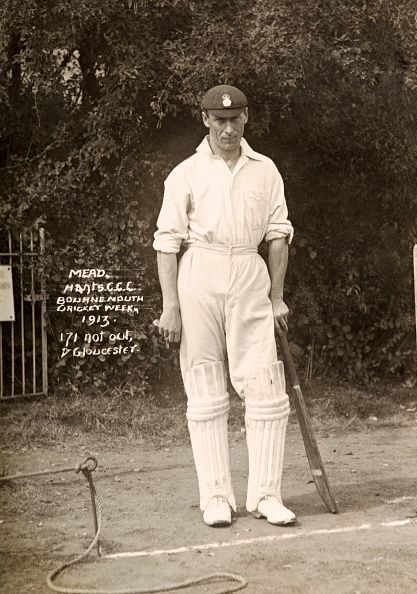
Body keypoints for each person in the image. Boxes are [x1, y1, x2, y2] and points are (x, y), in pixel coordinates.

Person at [153, 84, 295, 527]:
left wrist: (276, 297)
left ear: (246, 118)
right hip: (201, 271)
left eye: (235, 120)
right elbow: (166, 243)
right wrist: (170, 306)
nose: (228, 128)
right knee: (205, 383)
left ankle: (266, 495)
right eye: (220, 120)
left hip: (249, 271)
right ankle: (216, 496)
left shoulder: (266, 170)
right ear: (206, 120)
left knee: (266, 383)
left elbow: (277, 234)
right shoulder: (186, 173)